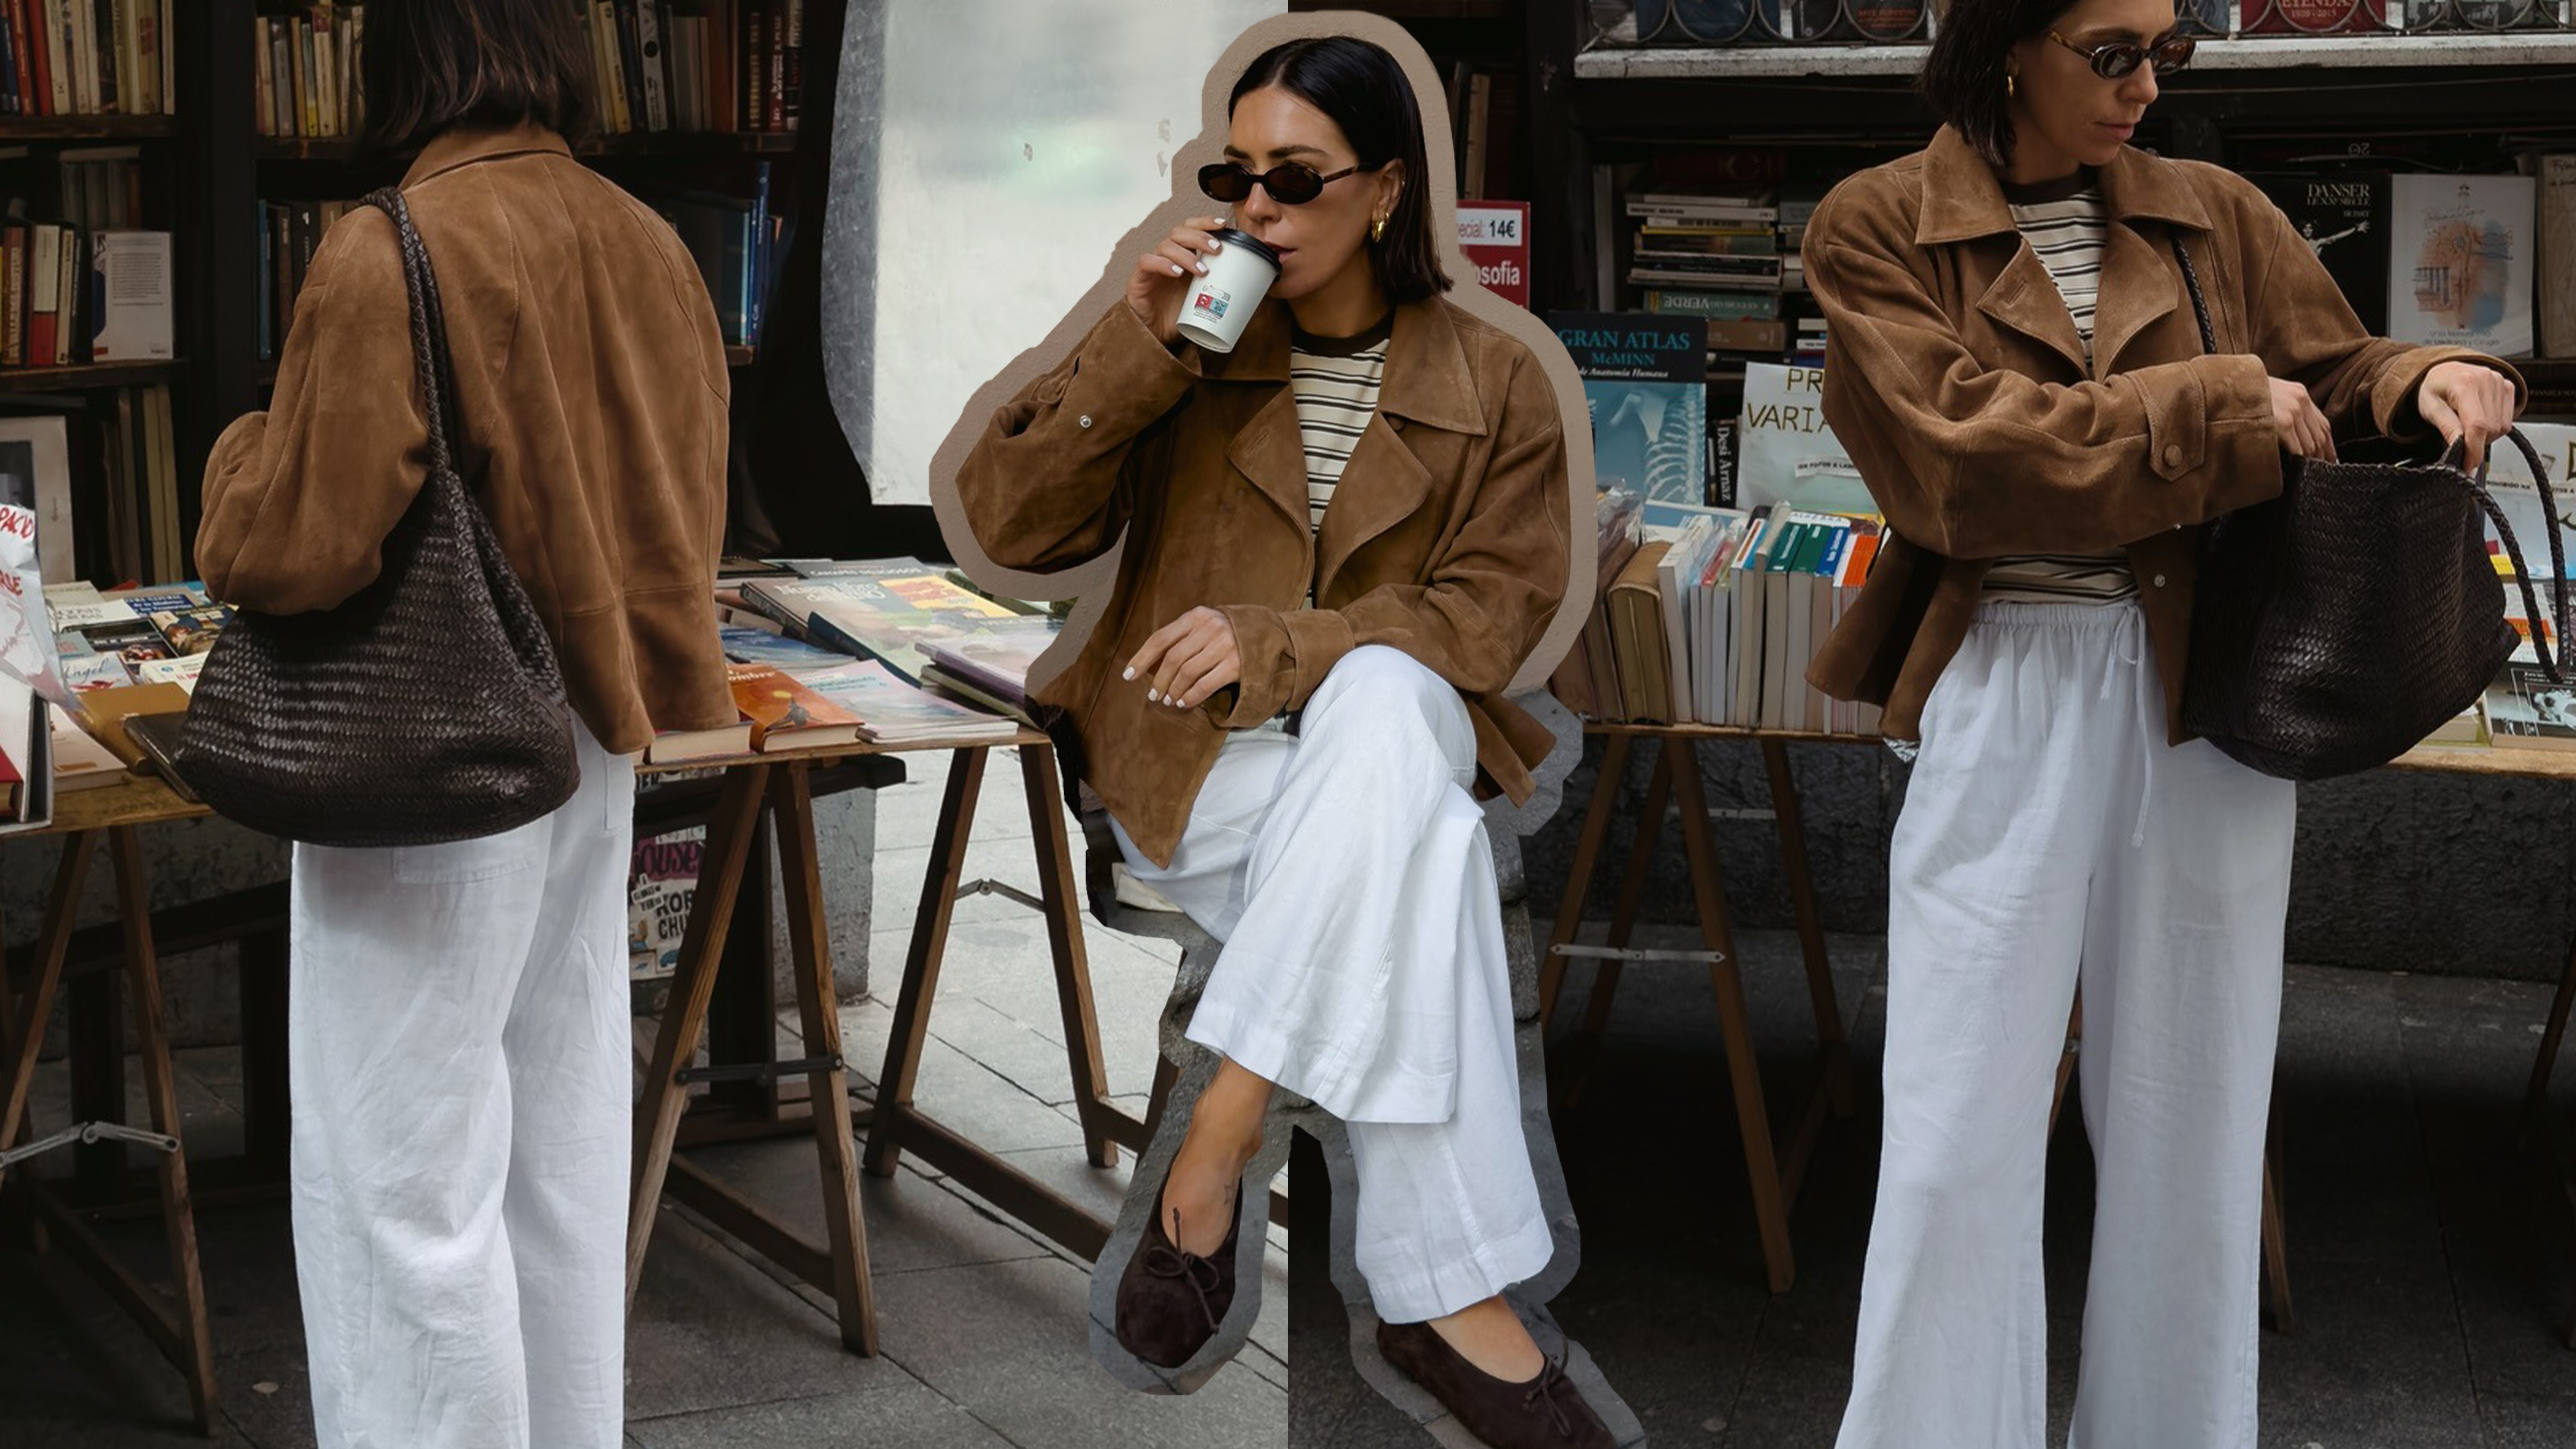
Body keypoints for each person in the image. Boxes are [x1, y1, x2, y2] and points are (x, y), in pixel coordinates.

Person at [1800, 0, 2523, 1444]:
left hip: (2212, 681)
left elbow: (2328, 369)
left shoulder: (2212, 211)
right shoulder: (1879, 225)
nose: (2146, 85)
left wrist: (2414, 377)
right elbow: (1960, 462)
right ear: (2008, 43)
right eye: (2112, 52)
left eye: (2167, 50)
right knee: (1954, 1121)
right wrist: (2216, 405)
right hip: (2009, 668)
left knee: (2193, 1113)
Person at [954, 34, 1613, 1449]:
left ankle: (1222, 1127)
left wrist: (1287, 642)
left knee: (1383, 710)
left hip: (1371, 755)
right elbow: (1011, 526)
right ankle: (1448, 1301)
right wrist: (1134, 338)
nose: (1259, 206)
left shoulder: (1497, 378)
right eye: (1235, 175)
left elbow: (1491, 619)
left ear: (1387, 190)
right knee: (1429, 858)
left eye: (1297, 178)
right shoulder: (1192, 345)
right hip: (1193, 763)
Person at [192, 4, 734, 1446]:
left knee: (400, 1182)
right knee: (560, 1151)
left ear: (402, 54)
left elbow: (299, 545)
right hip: (592, 736)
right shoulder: (648, 237)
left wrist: (241, 452)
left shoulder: (394, 244)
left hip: (433, 747)